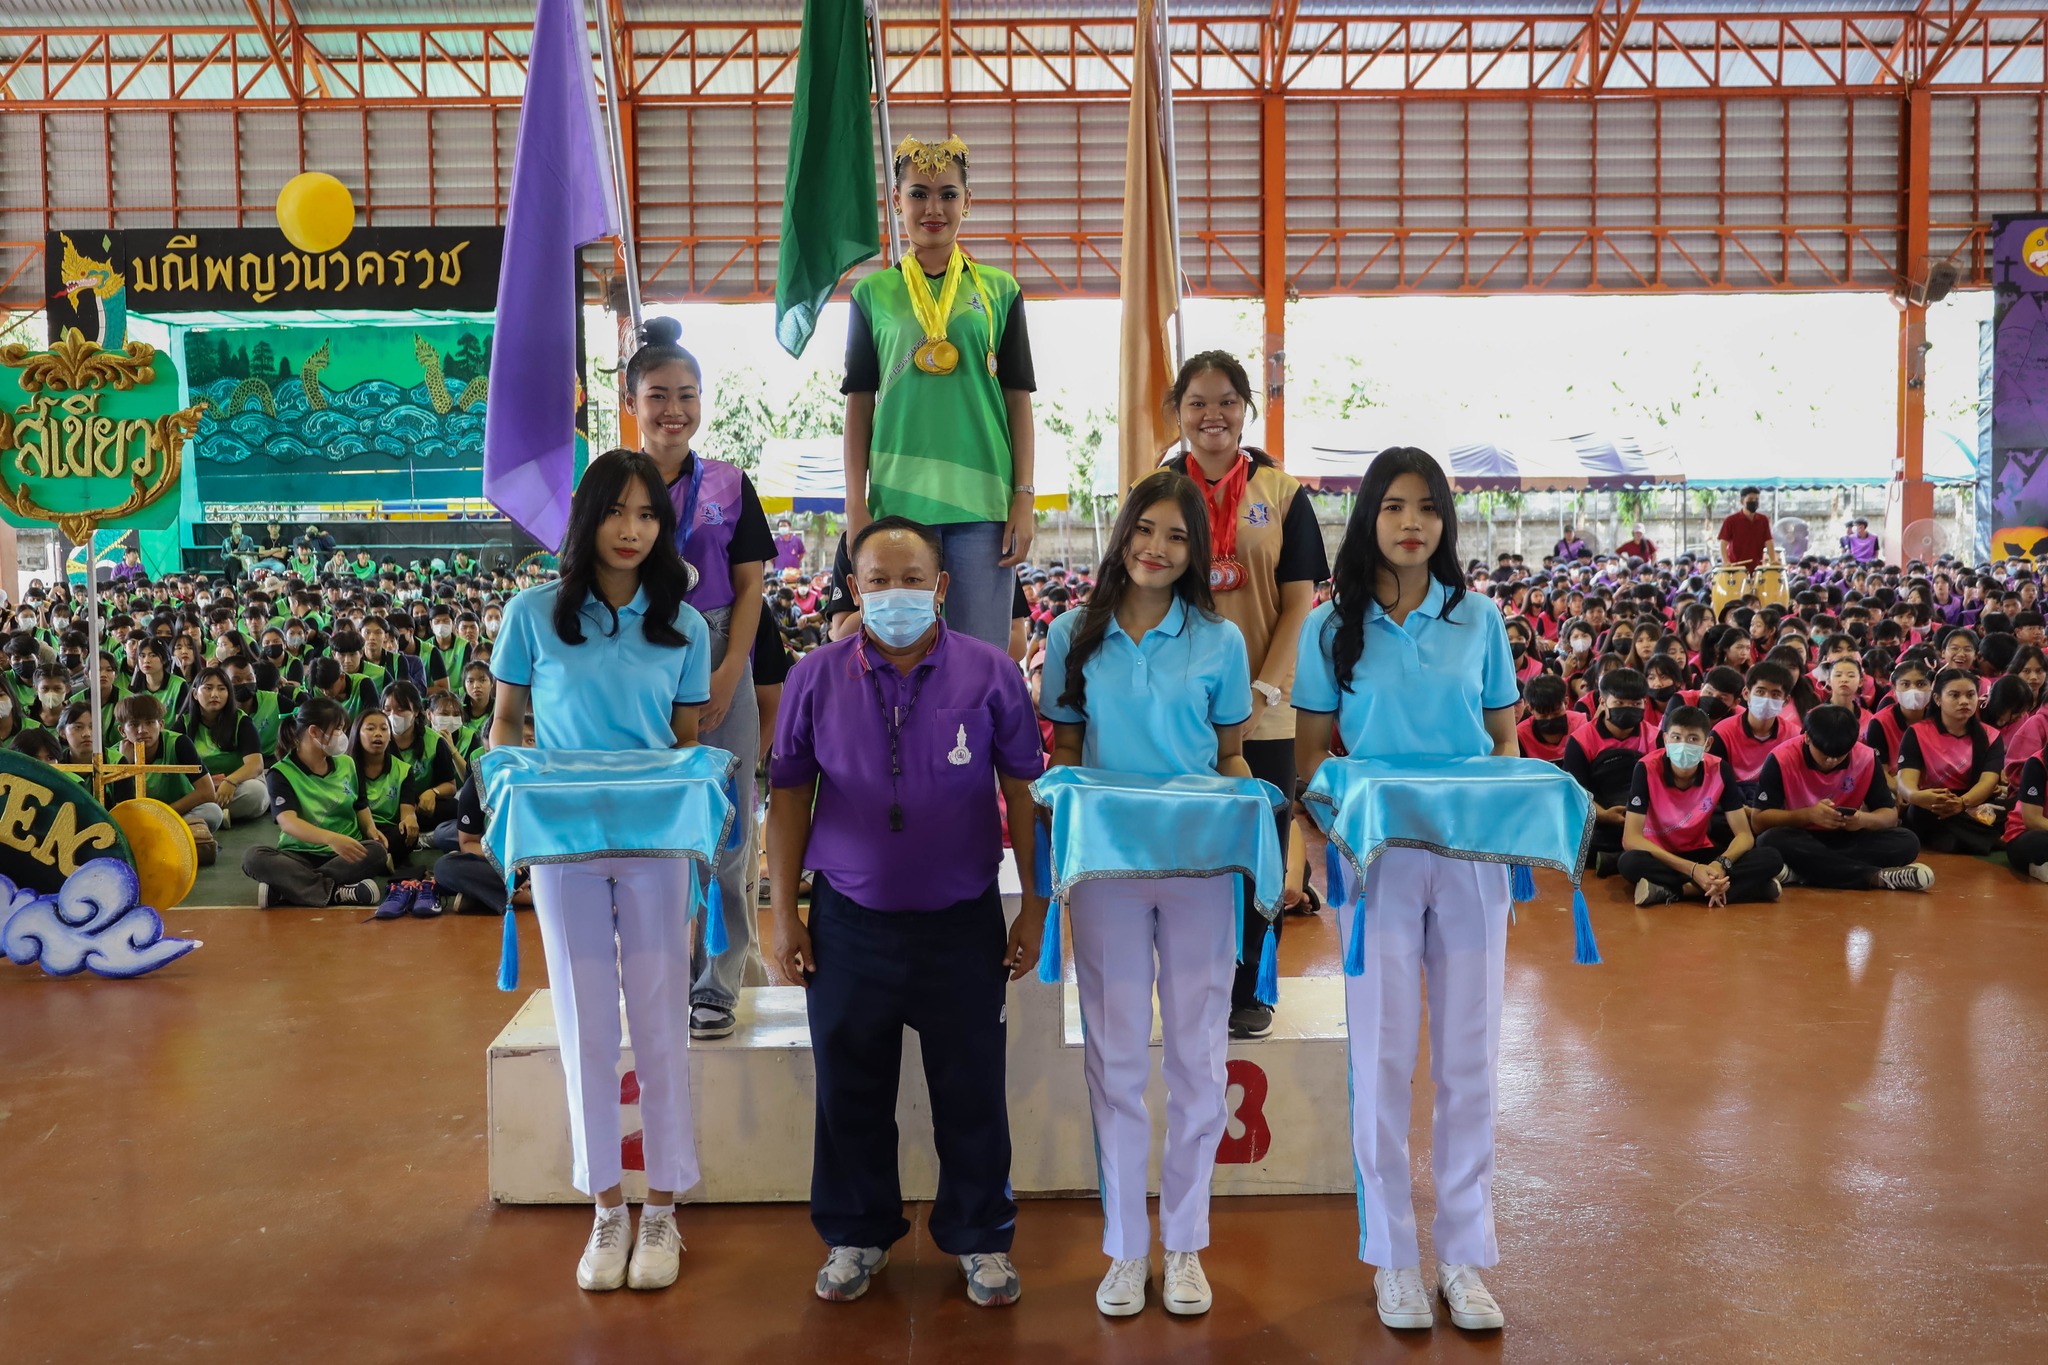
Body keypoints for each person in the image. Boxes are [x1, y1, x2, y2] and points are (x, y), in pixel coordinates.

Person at [766, 515, 1045, 1309]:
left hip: (964, 922)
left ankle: (982, 1236)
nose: (896, 595)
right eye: (879, 581)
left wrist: (1035, 904)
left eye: (912, 579)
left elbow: (1023, 793)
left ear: (943, 587)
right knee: (849, 1088)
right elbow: (789, 798)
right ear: (854, 589)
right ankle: (856, 1233)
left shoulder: (990, 676)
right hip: (850, 924)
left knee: (973, 1090)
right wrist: (784, 913)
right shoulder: (813, 678)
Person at [1291, 447, 1518, 1335]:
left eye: (1427, 506)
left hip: (1468, 854)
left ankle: (1463, 1256)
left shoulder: (1480, 618)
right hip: (1373, 856)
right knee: (1381, 1059)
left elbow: (1503, 742)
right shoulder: (1328, 624)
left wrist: (1489, 804)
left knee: (1470, 1058)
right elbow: (1312, 755)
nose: (1411, 522)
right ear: (1369, 520)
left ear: (1446, 521)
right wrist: (1325, 830)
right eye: (1393, 506)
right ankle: (1391, 1257)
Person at [488, 449, 714, 1294]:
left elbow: (685, 740)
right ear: (587, 518)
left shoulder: (683, 625)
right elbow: (506, 722)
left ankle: (663, 1207)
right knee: (583, 1027)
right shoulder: (532, 614)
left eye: (648, 514)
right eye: (616, 512)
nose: (632, 530)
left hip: (656, 844)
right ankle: (606, 1208)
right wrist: (512, 798)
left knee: (662, 1021)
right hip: (565, 843)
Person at [1037, 470, 1251, 1318]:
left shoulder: (1220, 642)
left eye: (1177, 535)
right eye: (1145, 529)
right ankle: (1127, 1247)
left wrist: (1263, 843)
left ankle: (1187, 1243)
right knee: (1115, 1059)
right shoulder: (1071, 636)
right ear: (1122, 534)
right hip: (1107, 874)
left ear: (1196, 550)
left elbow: (1230, 756)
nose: (1157, 548)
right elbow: (1065, 751)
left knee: (1200, 1059)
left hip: (1198, 869)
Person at [1158, 351, 1327, 1038]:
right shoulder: (1156, 488)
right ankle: (1187, 978)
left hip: (1266, 709)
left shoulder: (1284, 494)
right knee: (1188, 847)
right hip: (1177, 708)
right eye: (1197, 402)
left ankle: (1251, 986)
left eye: (1226, 400)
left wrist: (1262, 687)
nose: (1212, 415)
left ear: (1246, 407)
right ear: (1178, 411)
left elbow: (1299, 603)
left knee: (1260, 846)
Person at [620, 316, 776, 1042]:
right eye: (657, 395)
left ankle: (718, 978)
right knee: (655, 822)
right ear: (632, 401)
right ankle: (661, 970)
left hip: (719, 646)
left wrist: (726, 674)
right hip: (639, 650)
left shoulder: (730, 485)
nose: (672, 408)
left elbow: (750, 590)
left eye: (686, 393)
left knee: (728, 825)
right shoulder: (612, 484)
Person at [841, 134, 1038, 651]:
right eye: (919, 193)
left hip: (984, 505)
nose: (934, 208)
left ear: (967, 202)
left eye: (948, 194)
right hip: (896, 504)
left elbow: (1018, 400)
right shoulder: (871, 295)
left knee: (981, 655)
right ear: (897, 201)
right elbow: (859, 404)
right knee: (898, 654)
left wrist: (1024, 496)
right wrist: (855, 504)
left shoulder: (1002, 290)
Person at [1751, 705, 1933, 891]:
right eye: (1825, 754)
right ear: (1807, 738)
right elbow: (1758, 821)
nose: (1831, 761)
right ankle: (1875, 877)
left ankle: (1803, 871)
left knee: (1908, 841)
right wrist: (1808, 815)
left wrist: (1863, 820)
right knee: (1769, 839)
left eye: (1839, 756)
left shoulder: (1866, 757)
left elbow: (1890, 815)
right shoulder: (1781, 758)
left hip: (1847, 837)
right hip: (1801, 835)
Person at [1619, 705, 1783, 906]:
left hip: (1701, 851)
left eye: (1693, 739)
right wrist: (1693, 870)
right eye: (1676, 737)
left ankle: (1682, 891)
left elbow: (1744, 835)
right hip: (1659, 853)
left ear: (1707, 744)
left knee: (1771, 857)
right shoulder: (1645, 768)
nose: (1683, 745)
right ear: (1665, 739)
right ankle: (1739, 889)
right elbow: (1631, 838)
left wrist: (1720, 865)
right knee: (1629, 862)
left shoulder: (1720, 769)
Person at [242, 695, 387, 907]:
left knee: (376, 852)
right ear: (314, 732)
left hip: (345, 852)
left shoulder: (347, 763)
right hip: (298, 855)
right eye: (337, 729)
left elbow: (360, 804)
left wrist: (371, 829)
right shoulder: (281, 773)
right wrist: (331, 839)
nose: (342, 735)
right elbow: (288, 822)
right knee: (253, 857)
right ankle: (337, 892)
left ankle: (289, 889)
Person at [1896, 667, 2006, 855]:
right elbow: (1906, 780)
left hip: (1972, 803)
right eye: (1954, 695)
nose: (1964, 701)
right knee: (1919, 813)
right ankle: (1990, 839)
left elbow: (1988, 782)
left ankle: (1954, 840)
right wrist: (1915, 796)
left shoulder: (1991, 736)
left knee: (2005, 811)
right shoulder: (1917, 733)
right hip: (1933, 803)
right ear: (1938, 699)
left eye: (1970, 695)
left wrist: (1962, 803)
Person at [1560, 667, 1656, 874]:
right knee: (1576, 843)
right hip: (1602, 812)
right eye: (1619, 703)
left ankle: (1616, 859)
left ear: (1645, 704)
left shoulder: (1655, 737)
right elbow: (1577, 791)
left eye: (1635, 704)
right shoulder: (1580, 740)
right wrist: (1603, 815)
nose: (1628, 708)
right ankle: (1631, 853)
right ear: (1603, 702)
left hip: (1646, 813)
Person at [179, 665, 268, 824]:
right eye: (208, 688)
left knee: (256, 793)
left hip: (236, 785)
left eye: (221, 689)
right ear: (195, 694)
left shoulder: (242, 722)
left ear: (229, 694)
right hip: (200, 788)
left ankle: (203, 817)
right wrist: (204, 786)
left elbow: (255, 764)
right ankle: (218, 815)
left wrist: (230, 781)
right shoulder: (184, 724)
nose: (215, 694)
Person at [1708, 661, 1803, 803]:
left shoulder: (1795, 736)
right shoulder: (1722, 733)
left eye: (1775, 694)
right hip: (1732, 802)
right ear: (1746, 693)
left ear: (1785, 701)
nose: (1766, 699)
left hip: (1773, 802)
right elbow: (1712, 782)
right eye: (1760, 692)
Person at [1717, 487, 1774, 569]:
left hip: (1757, 568)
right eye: (1750, 499)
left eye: (1756, 499)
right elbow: (1723, 543)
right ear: (1742, 501)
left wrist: (1772, 560)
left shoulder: (1763, 520)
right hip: (1736, 569)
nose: (1754, 501)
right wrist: (1726, 561)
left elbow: (1769, 541)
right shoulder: (1730, 520)